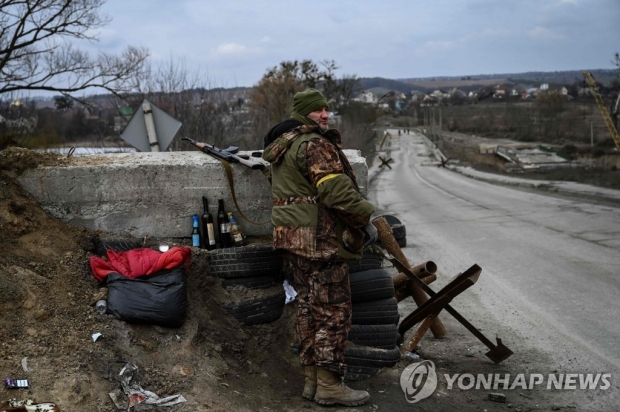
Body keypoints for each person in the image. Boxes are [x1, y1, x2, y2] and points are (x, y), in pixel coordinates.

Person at [262, 88, 377, 407]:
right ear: (303, 113)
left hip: (292, 238)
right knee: (333, 310)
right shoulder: (315, 144)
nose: (325, 114)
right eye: (317, 110)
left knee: (308, 307)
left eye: (326, 109)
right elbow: (336, 194)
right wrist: (368, 218)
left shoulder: (283, 146)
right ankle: (329, 385)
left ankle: (312, 382)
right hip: (318, 240)